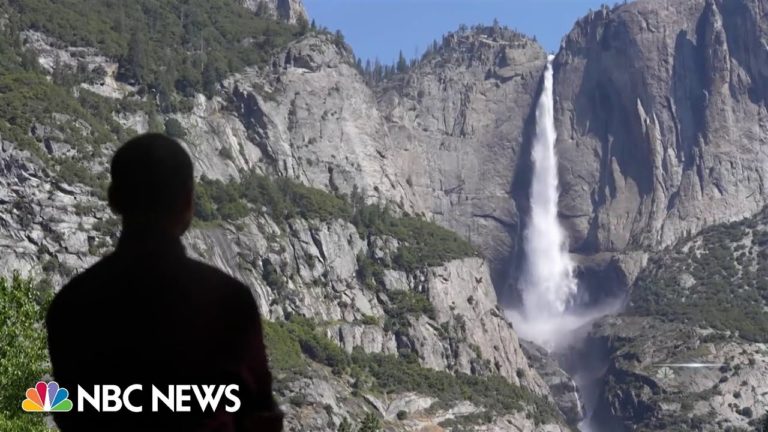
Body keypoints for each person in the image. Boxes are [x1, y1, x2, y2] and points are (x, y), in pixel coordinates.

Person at [46, 133, 282, 431]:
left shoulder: (71, 305)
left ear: (114, 200)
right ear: (187, 202)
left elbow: (69, 413)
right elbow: (261, 417)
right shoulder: (228, 301)